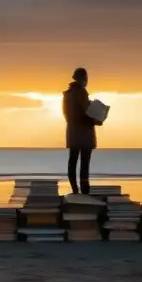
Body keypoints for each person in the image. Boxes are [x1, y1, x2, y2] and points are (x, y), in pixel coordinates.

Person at [63, 67, 97, 195]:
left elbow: (66, 114)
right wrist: (97, 119)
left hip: (72, 132)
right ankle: (84, 189)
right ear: (83, 79)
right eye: (86, 78)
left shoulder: (67, 94)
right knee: (84, 162)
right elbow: (87, 112)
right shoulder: (82, 93)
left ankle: (74, 189)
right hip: (84, 133)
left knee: (72, 160)